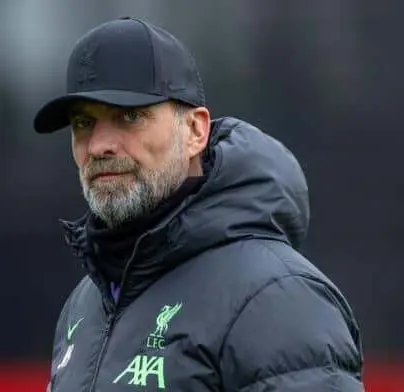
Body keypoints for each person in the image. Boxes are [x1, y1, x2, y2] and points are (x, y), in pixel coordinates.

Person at [33, 16, 364, 391]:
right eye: (83, 123)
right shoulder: (86, 303)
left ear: (195, 131)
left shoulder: (274, 296)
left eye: (129, 116)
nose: (98, 145)